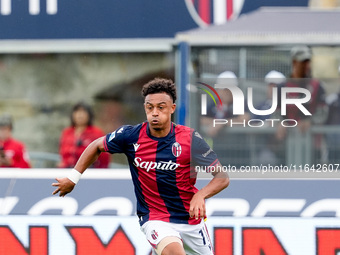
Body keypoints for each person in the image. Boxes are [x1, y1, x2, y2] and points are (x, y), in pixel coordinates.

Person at [52, 78, 229, 255]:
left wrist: (200, 195)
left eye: (161, 107)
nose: (155, 113)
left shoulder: (190, 139)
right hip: (154, 217)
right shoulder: (131, 136)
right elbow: (96, 146)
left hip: (190, 219)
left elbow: (222, 177)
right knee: (175, 252)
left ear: (172, 108)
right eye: (150, 107)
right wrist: (73, 177)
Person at [200, 71, 250, 167]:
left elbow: (245, 119)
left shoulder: (240, 102)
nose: (225, 92)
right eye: (223, 89)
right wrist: (216, 122)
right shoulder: (213, 103)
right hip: (216, 152)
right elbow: (201, 119)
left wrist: (223, 123)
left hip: (238, 153)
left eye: (228, 89)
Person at [58, 102, 110, 168]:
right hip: (67, 170)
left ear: (89, 115)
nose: (80, 115)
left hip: (88, 171)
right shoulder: (67, 132)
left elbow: (104, 157)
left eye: (83, 112)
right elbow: (62, 154)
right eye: (77, 112)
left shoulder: (97, 133)